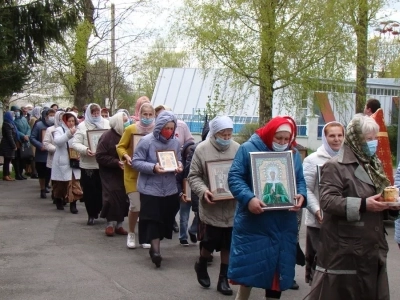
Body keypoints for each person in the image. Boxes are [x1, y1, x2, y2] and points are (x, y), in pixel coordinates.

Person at [308, 115, 399, 300]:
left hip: (372, 247)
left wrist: (392, 206)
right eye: (368, 139)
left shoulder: (374, 165)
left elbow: (379, 200)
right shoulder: (336, 165)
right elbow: (327, 201)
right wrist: (364, 204)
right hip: (345, 249)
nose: (373, 143)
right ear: (356, 139)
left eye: (375, 138)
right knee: (345, 293)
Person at [227, 116, 307, 300]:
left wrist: (301, 196)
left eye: (287, 139)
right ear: (270, 133)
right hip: (255, 222)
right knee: (249, 270)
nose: (282, 143)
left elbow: (300, 180)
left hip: (282, 224)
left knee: (276, 274)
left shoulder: (292, 154)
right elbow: (235, 177)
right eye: (278, 138)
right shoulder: (248, 149)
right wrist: (249, 199)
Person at [187, 116, 240, 296]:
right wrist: (204, 191)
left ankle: (223, 279)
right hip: (211, 207)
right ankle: (202, 263)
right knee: (209, 243)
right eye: (222, 134)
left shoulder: (237, 148)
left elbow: (243, 174)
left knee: (227, 244)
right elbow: (193, 176)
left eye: (229, 134)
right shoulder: (201, 149)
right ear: (215, 133)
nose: (226, 138)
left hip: (232, 207)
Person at [132, 110, 182, 268]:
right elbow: (136, 162)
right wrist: (153, 167)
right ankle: (155, 251)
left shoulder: (175, 143)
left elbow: (178, 159)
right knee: (153, 219)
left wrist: (178, 166)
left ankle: (156, 245)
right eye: (166, 127)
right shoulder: (146, 141)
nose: (169, 131)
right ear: (160, 126)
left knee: (164, 218)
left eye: (172, 128)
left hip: (169, 189)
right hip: (150, 189)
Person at [302, 121, 344, 285]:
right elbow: (306, 189)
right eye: (332, 135)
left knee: (337, 265)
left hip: (341, 220)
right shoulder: (313, 160)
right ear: (325, 137)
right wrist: (317, 210)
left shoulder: (347, 158)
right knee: (319, 264)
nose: (336, 139)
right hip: (318, 222)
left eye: (340, 135)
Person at [116, 102, 155, 249]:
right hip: (132, 173)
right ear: (139, 114)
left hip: (149, 174)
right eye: (145, 114)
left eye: (150, 114)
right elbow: (120, 146)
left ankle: (144, 236)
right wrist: (125, 156)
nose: (147, 117)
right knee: (135, 205)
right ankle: (131, 233)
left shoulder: (155, 131)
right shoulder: (131, 129)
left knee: (146, 207)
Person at [72, 103, 110, 225]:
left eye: (97, 112)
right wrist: (85, 150)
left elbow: (112, 139)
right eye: (93, 113)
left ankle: (100, 210)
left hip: (103, 164)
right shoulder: (82, 126)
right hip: (88, 164)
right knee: (89, 190)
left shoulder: (106, 124)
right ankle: (91, 214)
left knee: (102, 189)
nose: (95, 115)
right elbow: (75, 143)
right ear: (89, 113)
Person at [96, 112, 129, 236]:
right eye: (124, 121)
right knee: (110, 198)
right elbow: (100, 155)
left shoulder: (127, 135)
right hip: (109, 172)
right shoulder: (107, 136)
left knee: (122, 198)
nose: (127, 123)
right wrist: (116, 162)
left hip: (124, 172)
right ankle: (110, 224)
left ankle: (120, 224)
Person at [51, 112, 82, 212]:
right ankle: (58, 199)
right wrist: (69, 134)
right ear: (65, 121)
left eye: (73, 121)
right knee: (61, 184)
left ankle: (73, 204)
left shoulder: (79, 130)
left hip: (74, 160)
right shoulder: (59, 130)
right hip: (62, 160)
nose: (71, 123)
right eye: (69, 121)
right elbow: (58, 142)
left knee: (74, 183)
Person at [30, 108, 56, 198]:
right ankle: (42, 189)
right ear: (46, 116)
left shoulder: (56, 126)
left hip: (52, 153)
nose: (52, 117)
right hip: (41, 154)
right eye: (50, 115)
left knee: (51, 173)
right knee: (42, 172)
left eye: (53, 115)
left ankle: (51, 189)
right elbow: (32, 137)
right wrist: (40, 145)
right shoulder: (38, 125)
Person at [175, 140, 196, 246]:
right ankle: (183, 237)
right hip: (184, 195)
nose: (189, 155)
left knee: (200, 215)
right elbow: (177, 181)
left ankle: (193, 230)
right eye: (187, 153)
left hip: (197, 195)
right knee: (184, 217)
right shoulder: (181, 166)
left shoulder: (198, 164)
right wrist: (180, 193)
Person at [43, 111, 65, 203]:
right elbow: (46, 143)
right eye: (60, 119)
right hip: (54, 157)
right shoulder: (50, 129)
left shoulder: (67, 129)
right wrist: (54, 149)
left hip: (65, 158)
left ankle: (63, 196)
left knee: (64, 178)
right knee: (55, 179)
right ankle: (56, 195)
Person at [10, 105, 31, 180]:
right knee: (17, 158)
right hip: (18, 141)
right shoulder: (12, 120)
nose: (17, 112)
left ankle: (21, 173)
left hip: (25, 141)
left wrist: (27, 135)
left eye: (18, 111)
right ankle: (17, 174)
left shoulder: (24, 119)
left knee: (23, 158)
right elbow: (15, 131)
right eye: (15, 111)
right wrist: (23, 136)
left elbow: (28, 127)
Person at [0, 111, 18, 181]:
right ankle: (5, 175)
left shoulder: (11, 123)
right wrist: (13, 145)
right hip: (7, 145)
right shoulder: (6, 124)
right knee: (7, 160)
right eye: (12, 115)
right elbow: (9, 136)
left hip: (9, 144)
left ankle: (8, 174)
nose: (13, 116)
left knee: (9, 160)